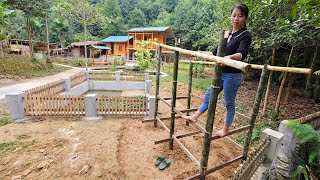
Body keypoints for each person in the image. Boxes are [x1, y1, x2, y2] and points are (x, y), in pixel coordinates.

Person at [183, 3, 252, 137]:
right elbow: (214, 52)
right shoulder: (227, 34)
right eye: (233, 15)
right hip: (220, 73)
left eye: (240, 16)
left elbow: (242, 54)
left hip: (232, 76)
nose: (236, 18)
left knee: (229, 103)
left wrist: (228, 57)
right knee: (209, 96)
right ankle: (195, 116)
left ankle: (226, 129)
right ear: (230, 17)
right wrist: (199, 53)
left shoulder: (245, 35)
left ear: (245, 18)